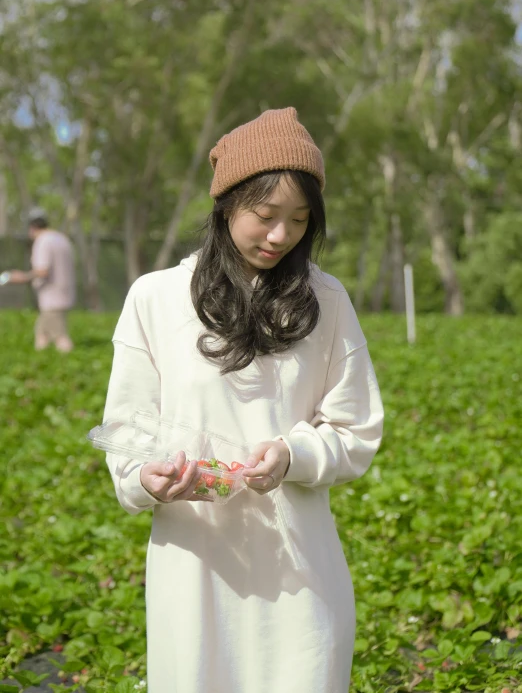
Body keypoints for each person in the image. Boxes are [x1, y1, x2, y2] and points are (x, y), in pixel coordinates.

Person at [102, 107, 384, 693]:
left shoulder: (326, 302)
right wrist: (142, 479)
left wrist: (292, 456)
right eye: (265, 215)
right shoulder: (155, 299)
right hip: (195, 564)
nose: (281, 235)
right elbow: (127, 429)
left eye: (300, 220)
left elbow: (355, 430)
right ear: (227, 203)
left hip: (299, 568)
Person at [2, 208, 76, 352]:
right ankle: (40, 363)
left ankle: (70, 365)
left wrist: (19, 277)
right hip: (65, 294)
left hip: (52, 298)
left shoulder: (43, 241)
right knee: (42, 334)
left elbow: (42, 271)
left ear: (32, 227)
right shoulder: (61, 238)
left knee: (60, 337)